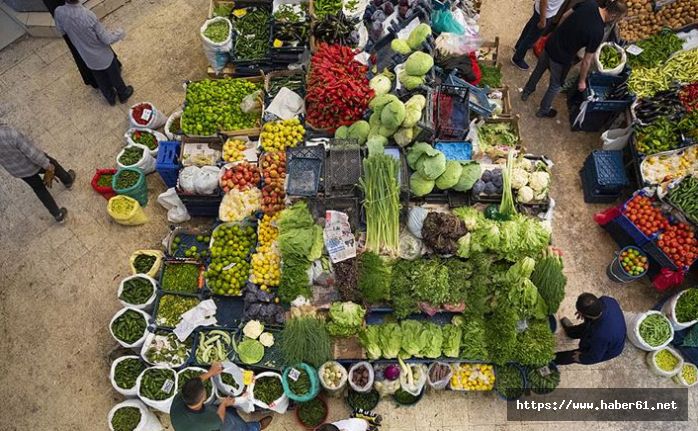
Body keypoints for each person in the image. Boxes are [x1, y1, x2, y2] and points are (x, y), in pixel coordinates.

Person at [521, 0, 627, 118]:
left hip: (551, 44)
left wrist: (557, 33)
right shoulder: (598, 32)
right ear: (613, 15)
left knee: (538, 69)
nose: (617, 21)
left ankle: (526, 91)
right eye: (618, 19)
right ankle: (544, 110)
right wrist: (582, 81)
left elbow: (565, 15)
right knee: (555, 85)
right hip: (562, 57)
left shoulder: (589, 4)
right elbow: (587, 60)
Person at [53, 0, 133, 106]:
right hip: (103, 55)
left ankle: (110, 98)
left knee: (100, 79)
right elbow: (107, 39)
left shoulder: (59, 12)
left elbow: (61, 31)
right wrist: (120, 33)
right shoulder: (88, 15)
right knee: (114, 75)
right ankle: (123, 93)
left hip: (86, 57)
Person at [0, 124, 75, 222]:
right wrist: (47, 165)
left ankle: (58, 215)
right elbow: (32, 153)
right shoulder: (10, 133)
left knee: (39, 189)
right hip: (34, 164)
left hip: (19, 171)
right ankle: (67, 180)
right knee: (54, 165)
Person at [170, 362, 273, 431]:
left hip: (192, 421)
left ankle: (233, 412)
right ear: (203, 398)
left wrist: (211, 372)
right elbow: (220, 418)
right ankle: (255, 427)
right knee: (234, 426)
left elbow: (193, 383)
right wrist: (224, 404)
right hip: (214, 426)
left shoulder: (181, 398)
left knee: (227, 411)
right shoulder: (207, 421)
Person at [555, 293, 626, 365]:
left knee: (574, 355)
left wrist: (581, 358)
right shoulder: (607, 300)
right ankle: (571, 332)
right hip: (606, 328)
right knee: (584, 328)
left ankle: (553, 360)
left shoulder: (600, 336)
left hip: (610, 348)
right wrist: (583, 312)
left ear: (587, 314)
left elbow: (595, 357)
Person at [511, 0, 565, 70]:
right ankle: (517, 58)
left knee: (530, 28)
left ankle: (519, 46)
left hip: (542, 10)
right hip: (544, 13)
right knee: (531, 38)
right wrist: (542, 20)